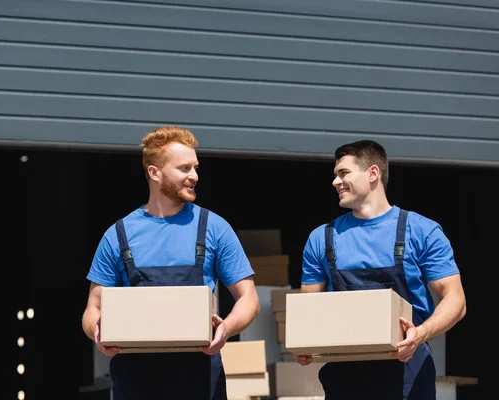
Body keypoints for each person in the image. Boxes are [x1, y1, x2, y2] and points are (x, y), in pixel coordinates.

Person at [81, 125, 259, 400]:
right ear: (155, 172)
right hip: (135, 378)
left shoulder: (213, 227)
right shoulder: (118, 235)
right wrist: (98, 331)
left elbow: (249, 298)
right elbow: (93, 308)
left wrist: (227, 328)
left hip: (199, 377)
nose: (194, 176)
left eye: (196, 168)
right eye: (184, 169)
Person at [293, 140, 466, 400]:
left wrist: (419, 334)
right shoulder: (322, 239)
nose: (335, 182)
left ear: (373, 173)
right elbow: (309, 309)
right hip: (346, 376)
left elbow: (456, 300)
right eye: (335, 176)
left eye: (343, 173)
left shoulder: (421, 231)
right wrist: (303, 343)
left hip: (408, 371)